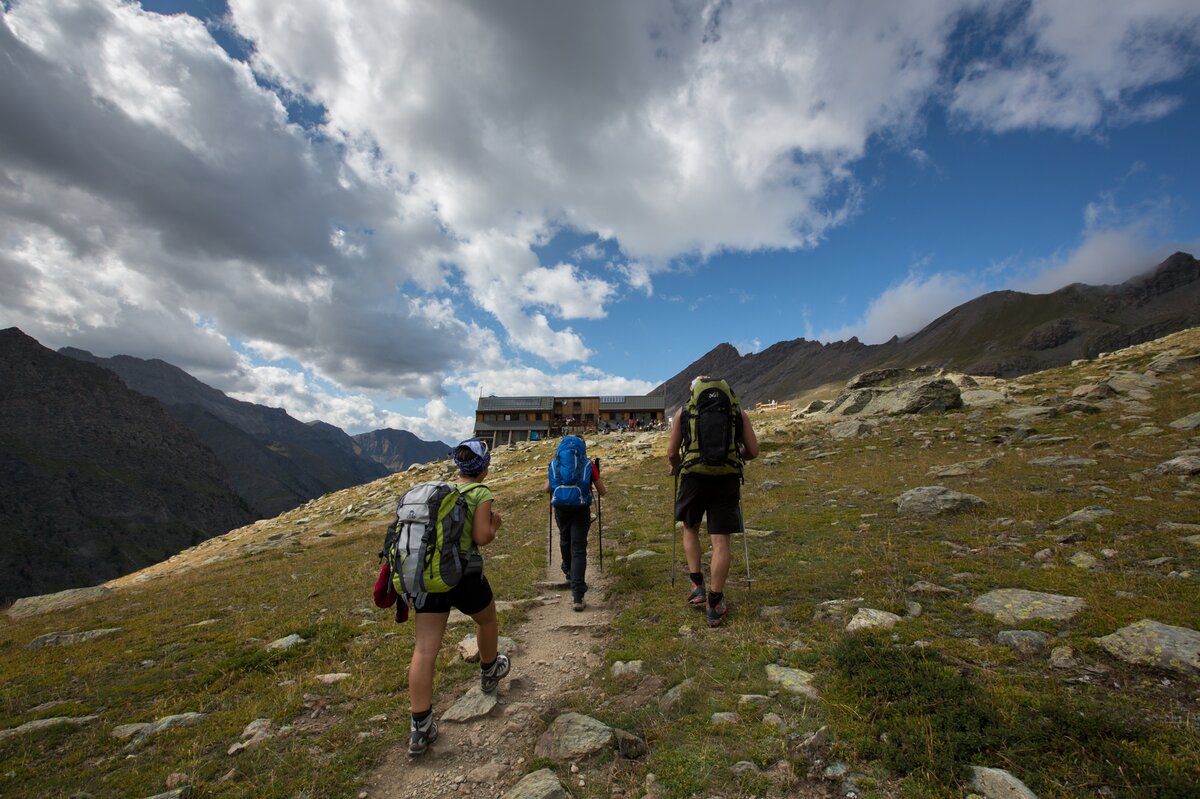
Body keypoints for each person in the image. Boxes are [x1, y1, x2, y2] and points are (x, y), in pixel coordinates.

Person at [406, 438, 510, 756]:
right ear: (484, 468)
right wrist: (494, 524)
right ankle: (489, 670)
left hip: (429, 576)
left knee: (425, 649)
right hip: (463, 575)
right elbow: (481, 536)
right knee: (487, 619)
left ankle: (420, 727)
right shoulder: (480, 493)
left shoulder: (442, 493)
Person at [666, 376, 759, 627]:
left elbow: (672, 452)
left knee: (690, 528)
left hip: (693, 478)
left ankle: (697, 585)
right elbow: (753, 451)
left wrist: (677, 466)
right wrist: (735, 455)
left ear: (694, 391)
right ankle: (715, 602)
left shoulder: (684, 412)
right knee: (721, 540)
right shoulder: (737, 412)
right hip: (726, 478)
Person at [545, 436, 607, 612]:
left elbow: (546, 488)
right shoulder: (588, 464)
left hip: (561, 509)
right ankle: (578, 596)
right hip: (581, 510)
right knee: (578, 548)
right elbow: (602, 491)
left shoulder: (555, 463)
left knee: (565, 540)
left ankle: (568, 571)